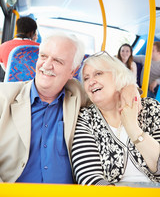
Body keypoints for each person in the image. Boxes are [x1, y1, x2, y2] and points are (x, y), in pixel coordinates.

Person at [0, 32, 141, 184]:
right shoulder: (4, 97)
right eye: (43, 56)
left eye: (58, 61)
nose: (47, 65)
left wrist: (130, 87)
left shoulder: (79, 93)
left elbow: (113, 92)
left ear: (72, 72)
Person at [71, 51, 160, 186]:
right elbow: (89, 178)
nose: (91, 82)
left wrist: (133, 129)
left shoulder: (151, 108)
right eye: (86, 78)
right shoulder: (85, 118)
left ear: (118, 76)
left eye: (98, 73)